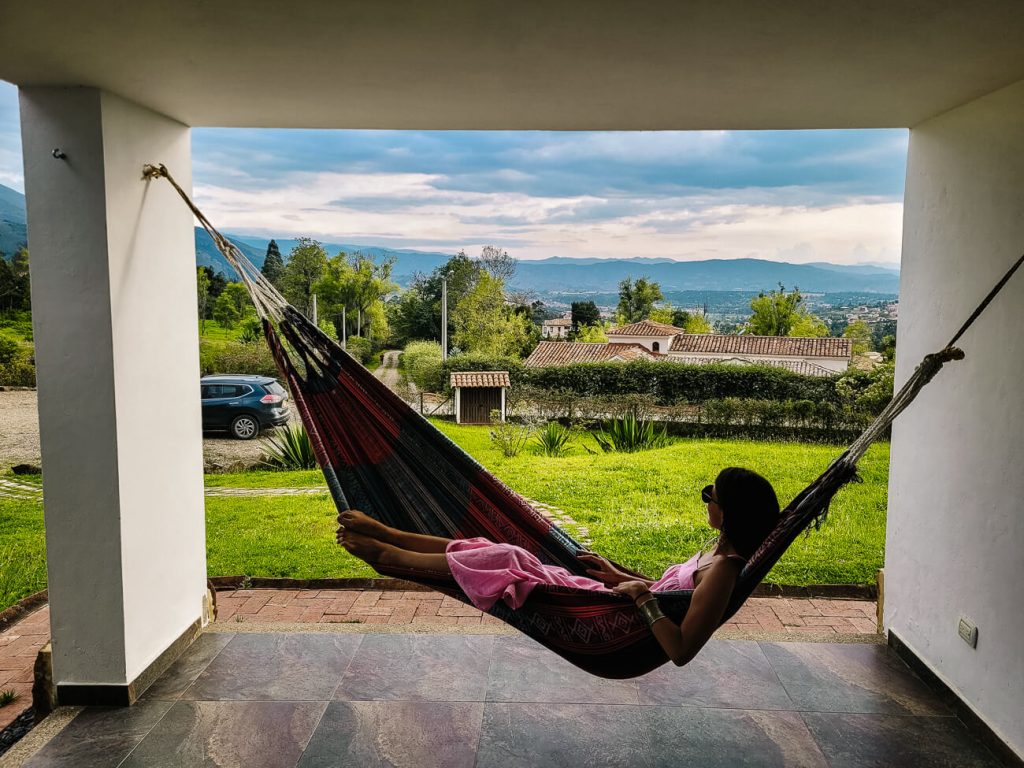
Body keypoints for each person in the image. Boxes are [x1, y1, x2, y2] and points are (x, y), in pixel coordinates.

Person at [337, 466, 779, 667]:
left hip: (614, 623)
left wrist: (639, 596)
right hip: (611, 598)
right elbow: (672, 594)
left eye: (711, 496)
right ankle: (392, 536)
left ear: (730, 512)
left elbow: (681, 649)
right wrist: (618, 573)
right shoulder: (715, 553)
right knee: (495, 549)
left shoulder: (724, 571)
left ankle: (390, 556)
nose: (706, 500)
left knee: (506, 560)